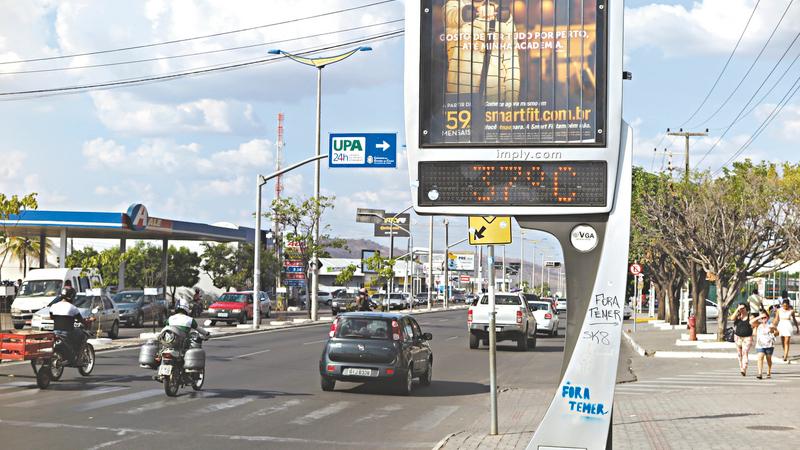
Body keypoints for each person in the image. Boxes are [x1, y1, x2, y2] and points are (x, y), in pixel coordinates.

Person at [50, 287, 94, 360]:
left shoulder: (53, 306)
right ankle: (77, 355)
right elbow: (81, 320)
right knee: (82, 334)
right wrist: (87, 322)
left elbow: (52, 317)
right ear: (71, 296)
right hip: (67, 332)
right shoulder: (73, 308)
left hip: (55, 332)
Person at [752, 311, 778, 379]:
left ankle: (769, 371)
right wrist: (759, 317)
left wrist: (774, 330)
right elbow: (750, 322)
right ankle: (760, 373)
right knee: (760, 357)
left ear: (768, 317)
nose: (763, 319)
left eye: (765, 317)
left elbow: (777, 333)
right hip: (760, 345)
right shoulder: (758, 324)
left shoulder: (771, 324)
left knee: (768, 359)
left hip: (769, 345)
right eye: (762, 318)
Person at [730, 305, 753, 376]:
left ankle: (744, 368)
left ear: (746, 308)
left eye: (743, 308)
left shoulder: (750, 316)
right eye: (740, 308)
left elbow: (753, 322)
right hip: (738, 337)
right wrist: (737, 309)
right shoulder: (738, 317)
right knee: (739, 354)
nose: (742, 310)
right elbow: (731, 318)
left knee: (745, 352)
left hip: (747, 338)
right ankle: (741, 368)